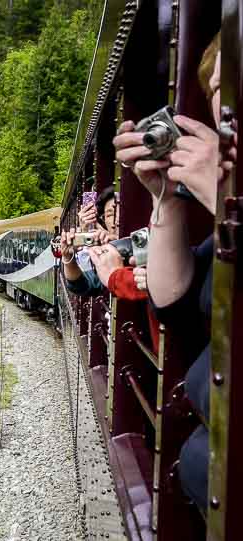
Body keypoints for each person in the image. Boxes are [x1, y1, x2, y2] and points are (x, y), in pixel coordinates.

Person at [112, 33, 229, 514]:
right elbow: (172, 296)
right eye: (218, 86)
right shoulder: (224, 225)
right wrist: (166, 196)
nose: (224, 104)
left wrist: (227, 201)